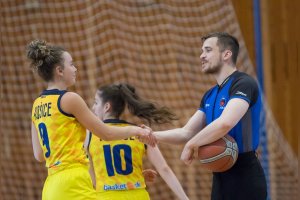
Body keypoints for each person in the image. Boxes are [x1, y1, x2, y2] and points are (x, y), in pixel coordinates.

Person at [27, 40, 155, 200]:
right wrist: (137, 130)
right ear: (59, 70)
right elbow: (106, 133)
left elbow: (39, 155)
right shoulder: (69, 99)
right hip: (74, 181)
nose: (75, 69)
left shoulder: (37, 104)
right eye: (71, 64)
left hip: (51, 186)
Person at [153, 32, 267, 200]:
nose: (202, 56)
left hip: (246, 175)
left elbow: (225, 123)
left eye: (207, 50)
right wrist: (150, 135)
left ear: (226, 54)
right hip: (220, 178)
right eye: (202, 51)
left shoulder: (243, 83)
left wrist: (192, 144)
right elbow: (186, 132)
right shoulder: (209, 95)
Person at [85, 83, 189, 200]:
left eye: (96, 102)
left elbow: (92, 178)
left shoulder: (90, 134)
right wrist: (185, 198)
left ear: (106, 107)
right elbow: (164, 169)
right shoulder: (141, 133)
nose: (93, 107)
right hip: (138, 195)